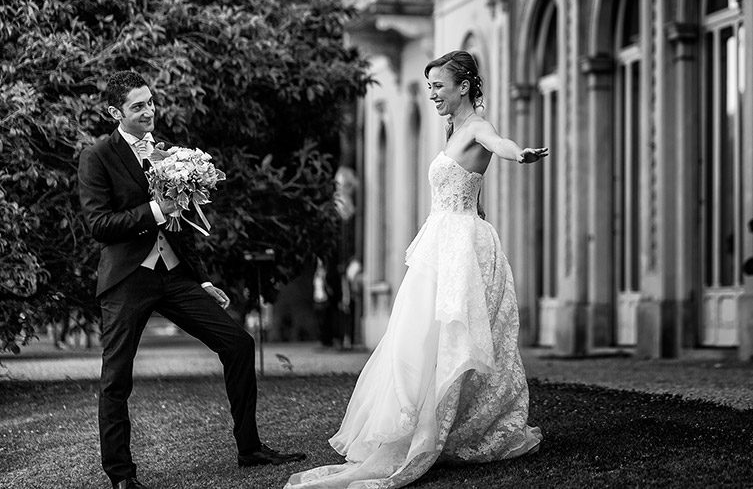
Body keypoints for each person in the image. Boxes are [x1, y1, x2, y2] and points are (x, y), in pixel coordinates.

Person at [286, 51, 546, 489]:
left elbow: (498, 146)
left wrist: (519, 155)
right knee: (418, 333)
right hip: (442, 242)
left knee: (452, 334)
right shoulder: (452, 129)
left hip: (462, 241)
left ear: (463, 86)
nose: (432, 95)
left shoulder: (479, 126)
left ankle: (452, 423)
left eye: (439, 87)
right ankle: (423, 420)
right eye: (428, 88)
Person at [77, 71, 306, 489]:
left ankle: (250, 448)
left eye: (150, 101)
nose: (149, 111)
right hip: (127, 279)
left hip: (175, 275)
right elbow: (99, 224)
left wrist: (199, 280)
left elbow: (182, 226)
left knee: (238, 344)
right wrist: (157, 209)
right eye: (137, 106)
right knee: (116, 378)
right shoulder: (98, 156)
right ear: (115, 112)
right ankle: (122, 477)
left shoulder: (166, 154)